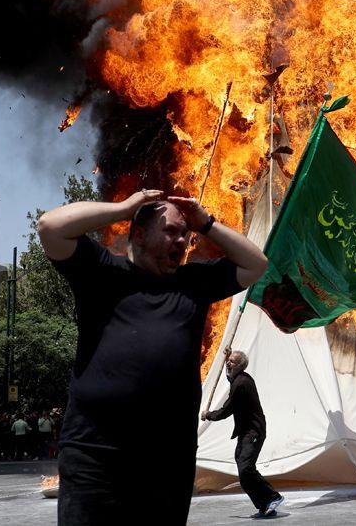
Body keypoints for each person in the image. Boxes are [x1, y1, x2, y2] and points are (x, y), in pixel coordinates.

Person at [39, 188, 268, 525]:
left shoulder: (194, 282)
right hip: (94, 456)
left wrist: (205, 223)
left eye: (185, 235)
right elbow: (49, 227)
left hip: (166, 462)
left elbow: (256, 264)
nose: (181, 241)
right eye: (171, 231)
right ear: (139, 233)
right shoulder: (102, 272)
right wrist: (123, 208)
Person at [202, 347, 284, 517]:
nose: (229, 364)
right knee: (244, 471)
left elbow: (226, 410)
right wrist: (226, 358)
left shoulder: (241, 383)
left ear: (240, 365)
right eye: (229, 361)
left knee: (246, 469)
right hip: (246, 432)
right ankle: (266, 505)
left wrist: (208, 415)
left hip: (253, 432)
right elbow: (229, 375)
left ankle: (272, 497)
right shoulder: (238, 378)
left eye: (231, 361)